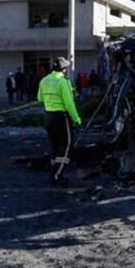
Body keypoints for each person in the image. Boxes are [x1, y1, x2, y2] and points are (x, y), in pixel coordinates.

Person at [37, 57, 82, 185]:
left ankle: (54, 172)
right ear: (64, 69)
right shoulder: (62, 81)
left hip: (48, 116)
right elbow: (69, 103)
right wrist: (76, 119)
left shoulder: (44, 80)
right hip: (60, 117)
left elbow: (39, 98)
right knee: (67, 144)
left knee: (54, 145)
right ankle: (57, 175)